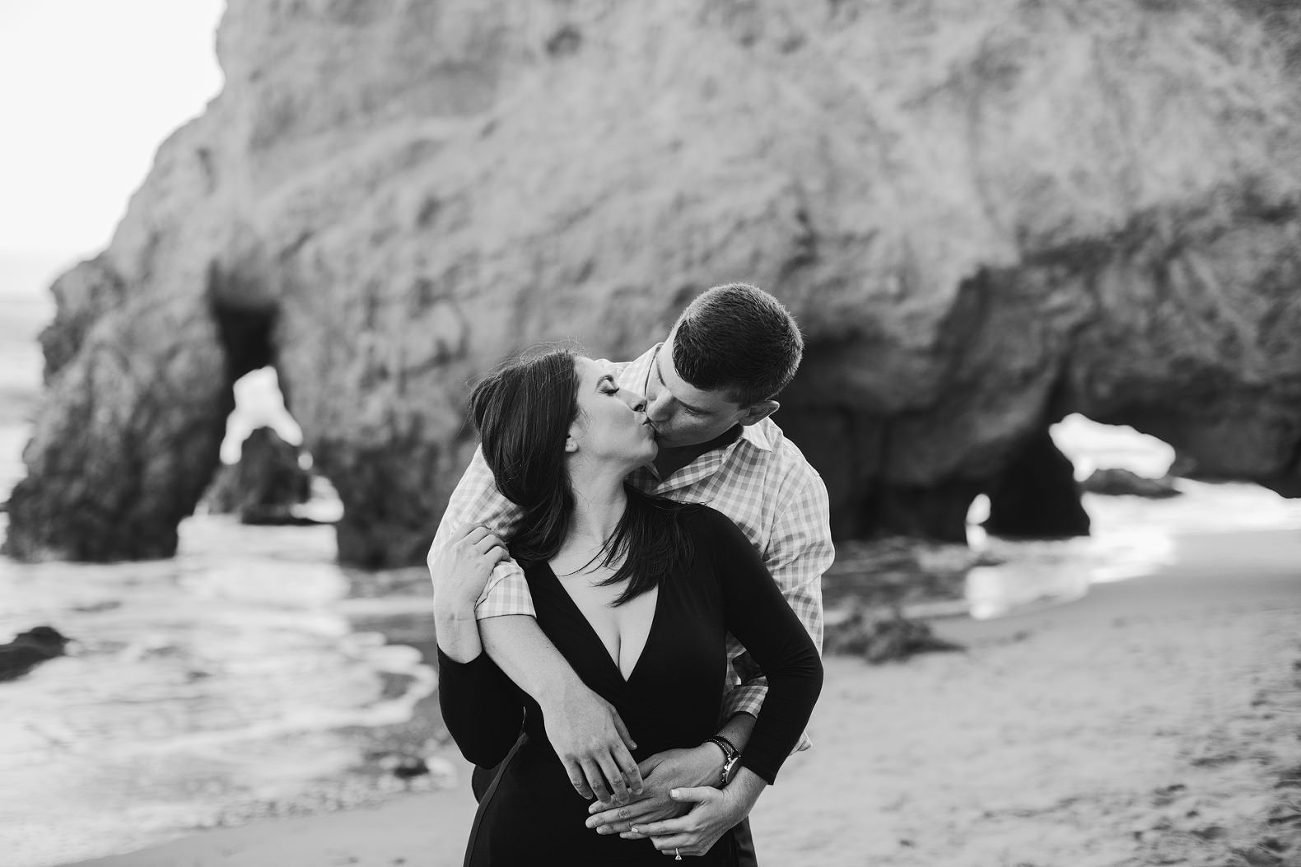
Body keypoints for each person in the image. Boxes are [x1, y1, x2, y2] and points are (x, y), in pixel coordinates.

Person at [428, 283, 834, 860]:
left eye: (692, 408)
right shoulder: (563, 400)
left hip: (688, 807)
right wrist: (560, 692)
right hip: (535, 827)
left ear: (753, 412)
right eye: (660, 378)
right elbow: (460, 568)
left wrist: (726, 769)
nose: (655, 406)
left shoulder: (762, 502)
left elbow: (788, 668)